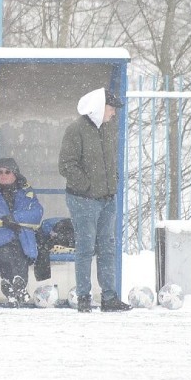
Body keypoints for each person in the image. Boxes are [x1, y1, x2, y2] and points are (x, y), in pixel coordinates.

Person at [58, 87, 131, 313]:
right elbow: (66, 165)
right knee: (86, 248)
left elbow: (111, 161)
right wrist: (87, 186)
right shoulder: (76, 130)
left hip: (107, 198)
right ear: (100, 107)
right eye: (111, 108)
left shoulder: (108, 129)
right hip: (84, 200)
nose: (113, 113)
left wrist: (112, 183)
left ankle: (109, 297)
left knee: (107, 248)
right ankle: (83, 296)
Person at [0, 158, 44, 307]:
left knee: (20, 252)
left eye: (7, 171)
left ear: (15, 174)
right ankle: (19, 285)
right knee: (4, 251)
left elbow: (37, 213)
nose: (3, 175)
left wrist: (13, 218)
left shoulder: (27, 192)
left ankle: (10, 286)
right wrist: (3, 221)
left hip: (20, 236)